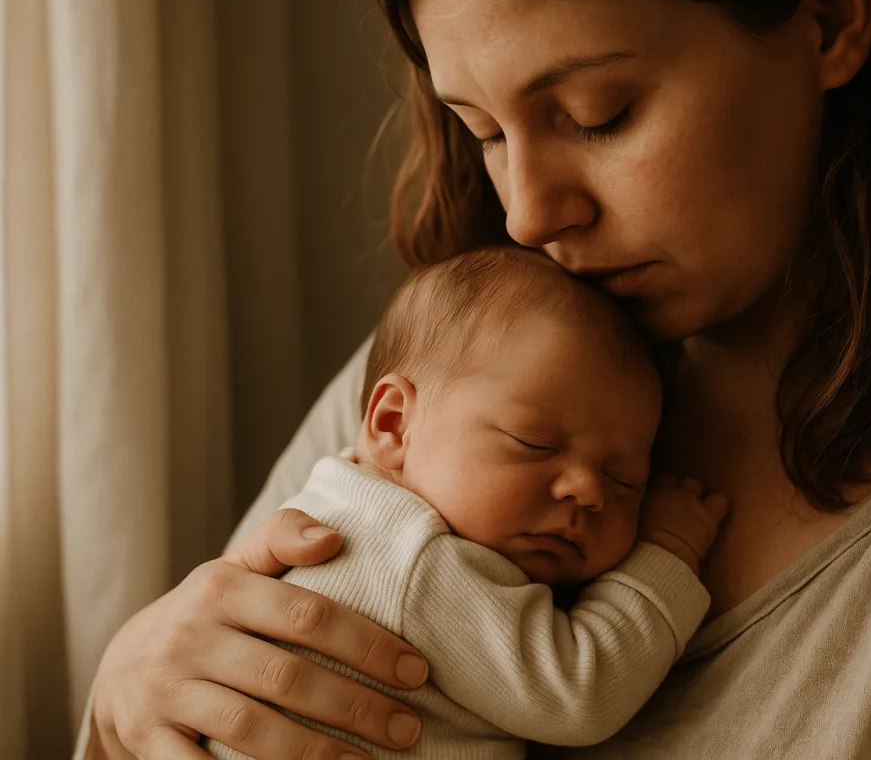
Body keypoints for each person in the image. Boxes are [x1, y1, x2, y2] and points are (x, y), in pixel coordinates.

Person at [78, 0, 871, 758]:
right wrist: (126, 703)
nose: (528, 214)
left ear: (828, 16)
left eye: (599, 113)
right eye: (482, 130)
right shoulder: (455, 381)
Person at [203, 245, 726, 759]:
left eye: (624, 480)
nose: (588, 491)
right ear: (393, 425)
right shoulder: (413, 556)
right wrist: (667, 553)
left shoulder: (340, 499)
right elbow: (579, 695)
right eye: (534, 443)